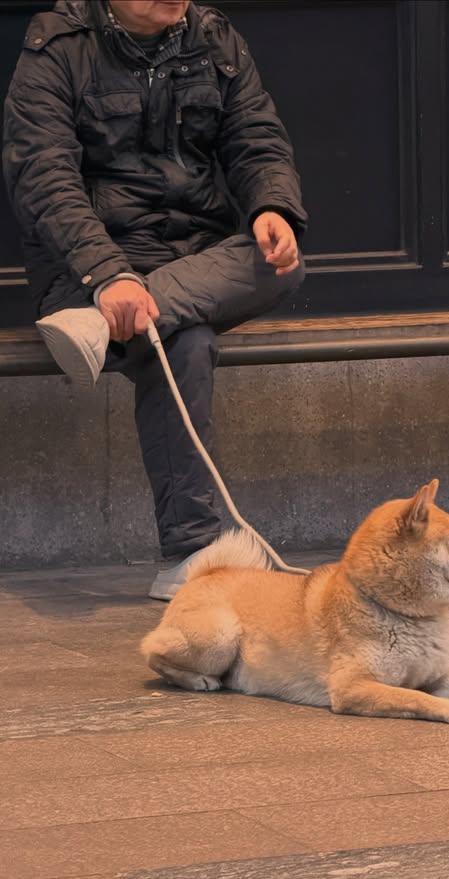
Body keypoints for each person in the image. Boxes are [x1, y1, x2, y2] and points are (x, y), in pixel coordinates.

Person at [3, 0, 308, 600]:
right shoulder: (58, 48)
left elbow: (258, 141)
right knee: (185, 339)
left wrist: (272, 207)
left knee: (283, 267)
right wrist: (106, 273)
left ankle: (99, 325)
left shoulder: (215, 38)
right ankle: (193, 551)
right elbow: (43, 177)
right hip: (86, 266)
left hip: (194, 257)